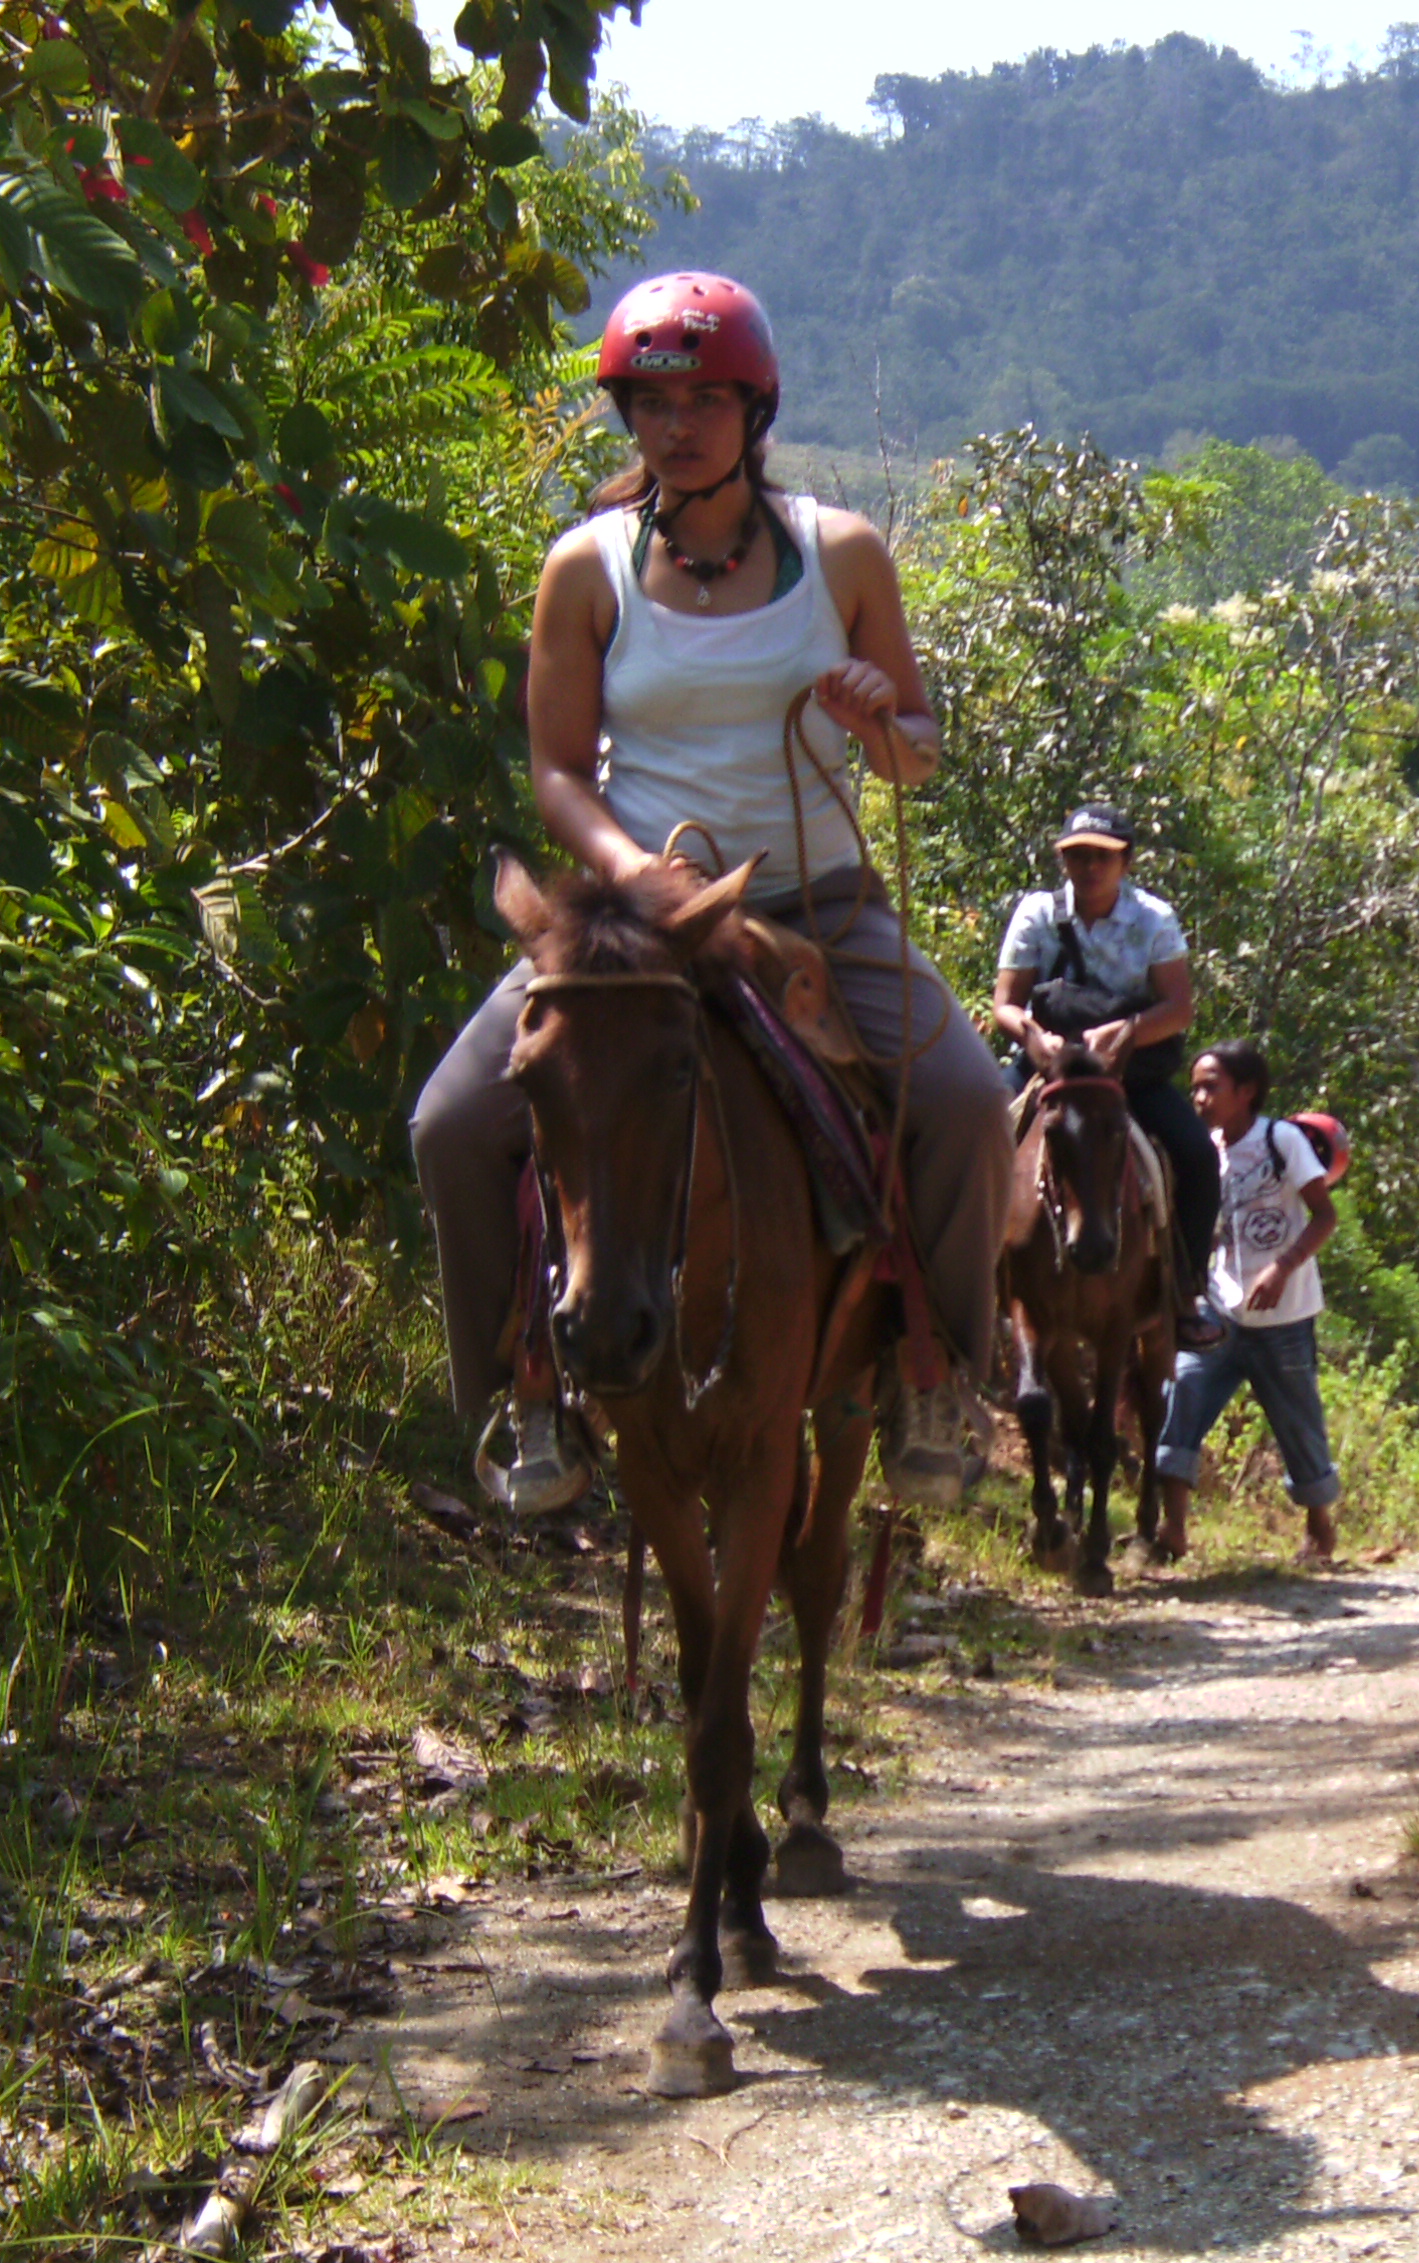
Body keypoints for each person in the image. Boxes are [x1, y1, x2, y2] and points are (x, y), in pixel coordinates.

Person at [412, 271, 1013, 1513]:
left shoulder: (840, 553)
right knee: (453, 1126)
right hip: (636, 925)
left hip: (818, 907)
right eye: (650, 404)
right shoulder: (585, 568)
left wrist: (873, 716)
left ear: (758, 407)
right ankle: (520, 1397)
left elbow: (917, 751)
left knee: (964, 1104)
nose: (675, 426)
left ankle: (940, 1376)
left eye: (704, 401)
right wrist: (641, 878)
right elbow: (559, 772)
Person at [990, 802, 1224, 1344]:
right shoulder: (1037, 914)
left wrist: (1124, 1033)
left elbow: (1178, 1008)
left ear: (1125, 863)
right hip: (1046, 1071)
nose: (1089, 867)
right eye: (1078, 856)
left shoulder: (1154, 919)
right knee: (975, 1139)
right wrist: (1032, 1035)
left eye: (1102, 857)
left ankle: (1185, 1291)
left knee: (1195, 1153)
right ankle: (966, 1281)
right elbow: (1006, 1003)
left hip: (1129, 1074)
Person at [1153, 1040, 1342, 1564]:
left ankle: (1319, 1528)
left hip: (1285, 1317)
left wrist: (1282, 1268)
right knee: (1183, 1394)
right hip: (1219, 1309)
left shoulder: (1281, 1140)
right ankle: (1173, 1530)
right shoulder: (1203, 1149)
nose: (1198, 1097)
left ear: (1246, 1091)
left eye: (1211, 1085)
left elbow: (1324, 1216)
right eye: (1194, 1086)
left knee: (1297, 1421)